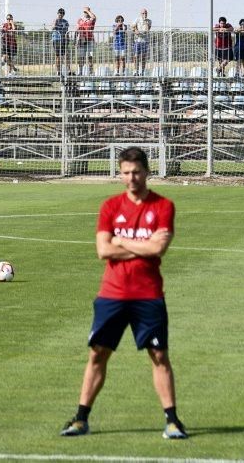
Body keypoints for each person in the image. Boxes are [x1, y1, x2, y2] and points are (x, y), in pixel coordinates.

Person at [60, 146, 187, 440]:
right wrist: (138, 247)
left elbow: (159, 248)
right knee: (97, 355)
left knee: (159, 355)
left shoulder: (163, 206)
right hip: (112, 294)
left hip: (148, 294)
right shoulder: (110, 206)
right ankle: (81, 419)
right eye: (126, 173)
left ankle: (172, 421)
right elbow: (103, 250)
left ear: (147, 172)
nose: (132, 178)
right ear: (120, 173)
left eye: (137, 172)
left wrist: (122, 243)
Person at [76, 6, 97, 76]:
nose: (86, 13)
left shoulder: (91, 20)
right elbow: (76, 30)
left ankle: (91, 72)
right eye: (84, 12)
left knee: (90, 57)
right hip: (81, 40)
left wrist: (88, 11)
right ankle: (80, 72)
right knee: (81, 57)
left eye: (87, 12)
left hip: (90, 40)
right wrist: (74, 40)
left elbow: (94, 17)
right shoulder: (80, 20)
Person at [132, 9, 152, 76]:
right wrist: (136, 30)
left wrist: (145, 22)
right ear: (141, 14)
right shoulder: (137, 19)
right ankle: (135, 71)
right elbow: (133, 27)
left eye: (146, 13)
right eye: (143, 13)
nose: (144, 14)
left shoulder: (149, 21)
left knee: (143, 57)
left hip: (144, 41)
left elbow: (147, 30)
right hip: (137, 41)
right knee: (136, 56)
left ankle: (142, 71)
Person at [51, 8, 70, 76]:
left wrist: (68, 39)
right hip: (56, 39)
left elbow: (67, 31)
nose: (60, 15)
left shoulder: (65, 22)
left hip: (63, 40)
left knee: (66, 55)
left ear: (63, 14)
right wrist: (55, 22)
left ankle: (68, 70)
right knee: (58, 56)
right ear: (57, 13)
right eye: (59, 13)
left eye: (62, 13)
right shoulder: (55, 20)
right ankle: (58, 71)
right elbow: (52, 28)